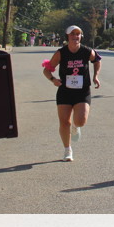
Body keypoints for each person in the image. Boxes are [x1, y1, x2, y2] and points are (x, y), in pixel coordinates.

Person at [43, 24, 101, 162]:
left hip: (82, 91)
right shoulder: (61, 53)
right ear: (67, 37)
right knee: (64, 122)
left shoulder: (87, 51)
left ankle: (76, 126)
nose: (75, 36)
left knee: (80, 121)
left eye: (78, 34)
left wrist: (95, 76)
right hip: (65, 91)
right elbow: (46, 70)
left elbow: (97, 61)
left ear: (81, 36)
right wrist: (53, 80)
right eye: (72, 34)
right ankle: (67, 150)